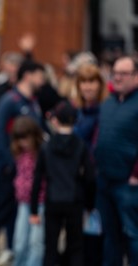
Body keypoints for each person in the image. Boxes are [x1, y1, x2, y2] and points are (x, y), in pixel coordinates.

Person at [0, 61, 45, 265]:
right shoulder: (10, 100)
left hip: (28, 172)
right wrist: (11, 164)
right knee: (1, 211)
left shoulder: (33, 102)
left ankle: (10, 249)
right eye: (40, 75)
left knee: (15, 213)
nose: (43, 80)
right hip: (10, 170)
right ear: (29, 75)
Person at [30, 101, 95, 266]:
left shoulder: (47, 146)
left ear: (56, 120)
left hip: (53, 200)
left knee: (50, 247)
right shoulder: (80, 146)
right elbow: (90, 177)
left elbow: (37, 178)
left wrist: (34, 210)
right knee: (76, 247)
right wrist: (89, 205)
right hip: (74, 200)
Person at [95, 56, 138, 266]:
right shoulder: (108, 103)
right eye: (115, 73)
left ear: (136, 76)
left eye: (124, 73)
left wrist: (136, 174)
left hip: (128, 184)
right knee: (110, 236)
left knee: (132, 235)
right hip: (105, 181)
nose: (118, 77)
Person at [73, 63, 108, 266]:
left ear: (99, 84)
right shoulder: (77, 111)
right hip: (77, 182)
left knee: (97, 236)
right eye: (84, 82)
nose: (88, 87)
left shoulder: (104, 111)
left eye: (92, 81)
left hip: (96, 181)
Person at [10, 116, 45, 266]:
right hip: (23, 202)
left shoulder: (42, 153)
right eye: (20, 140)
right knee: (20, 241)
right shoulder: (19, 153)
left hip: (40, 203)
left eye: (26, 139)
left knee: (35, 243)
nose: (23, 143)